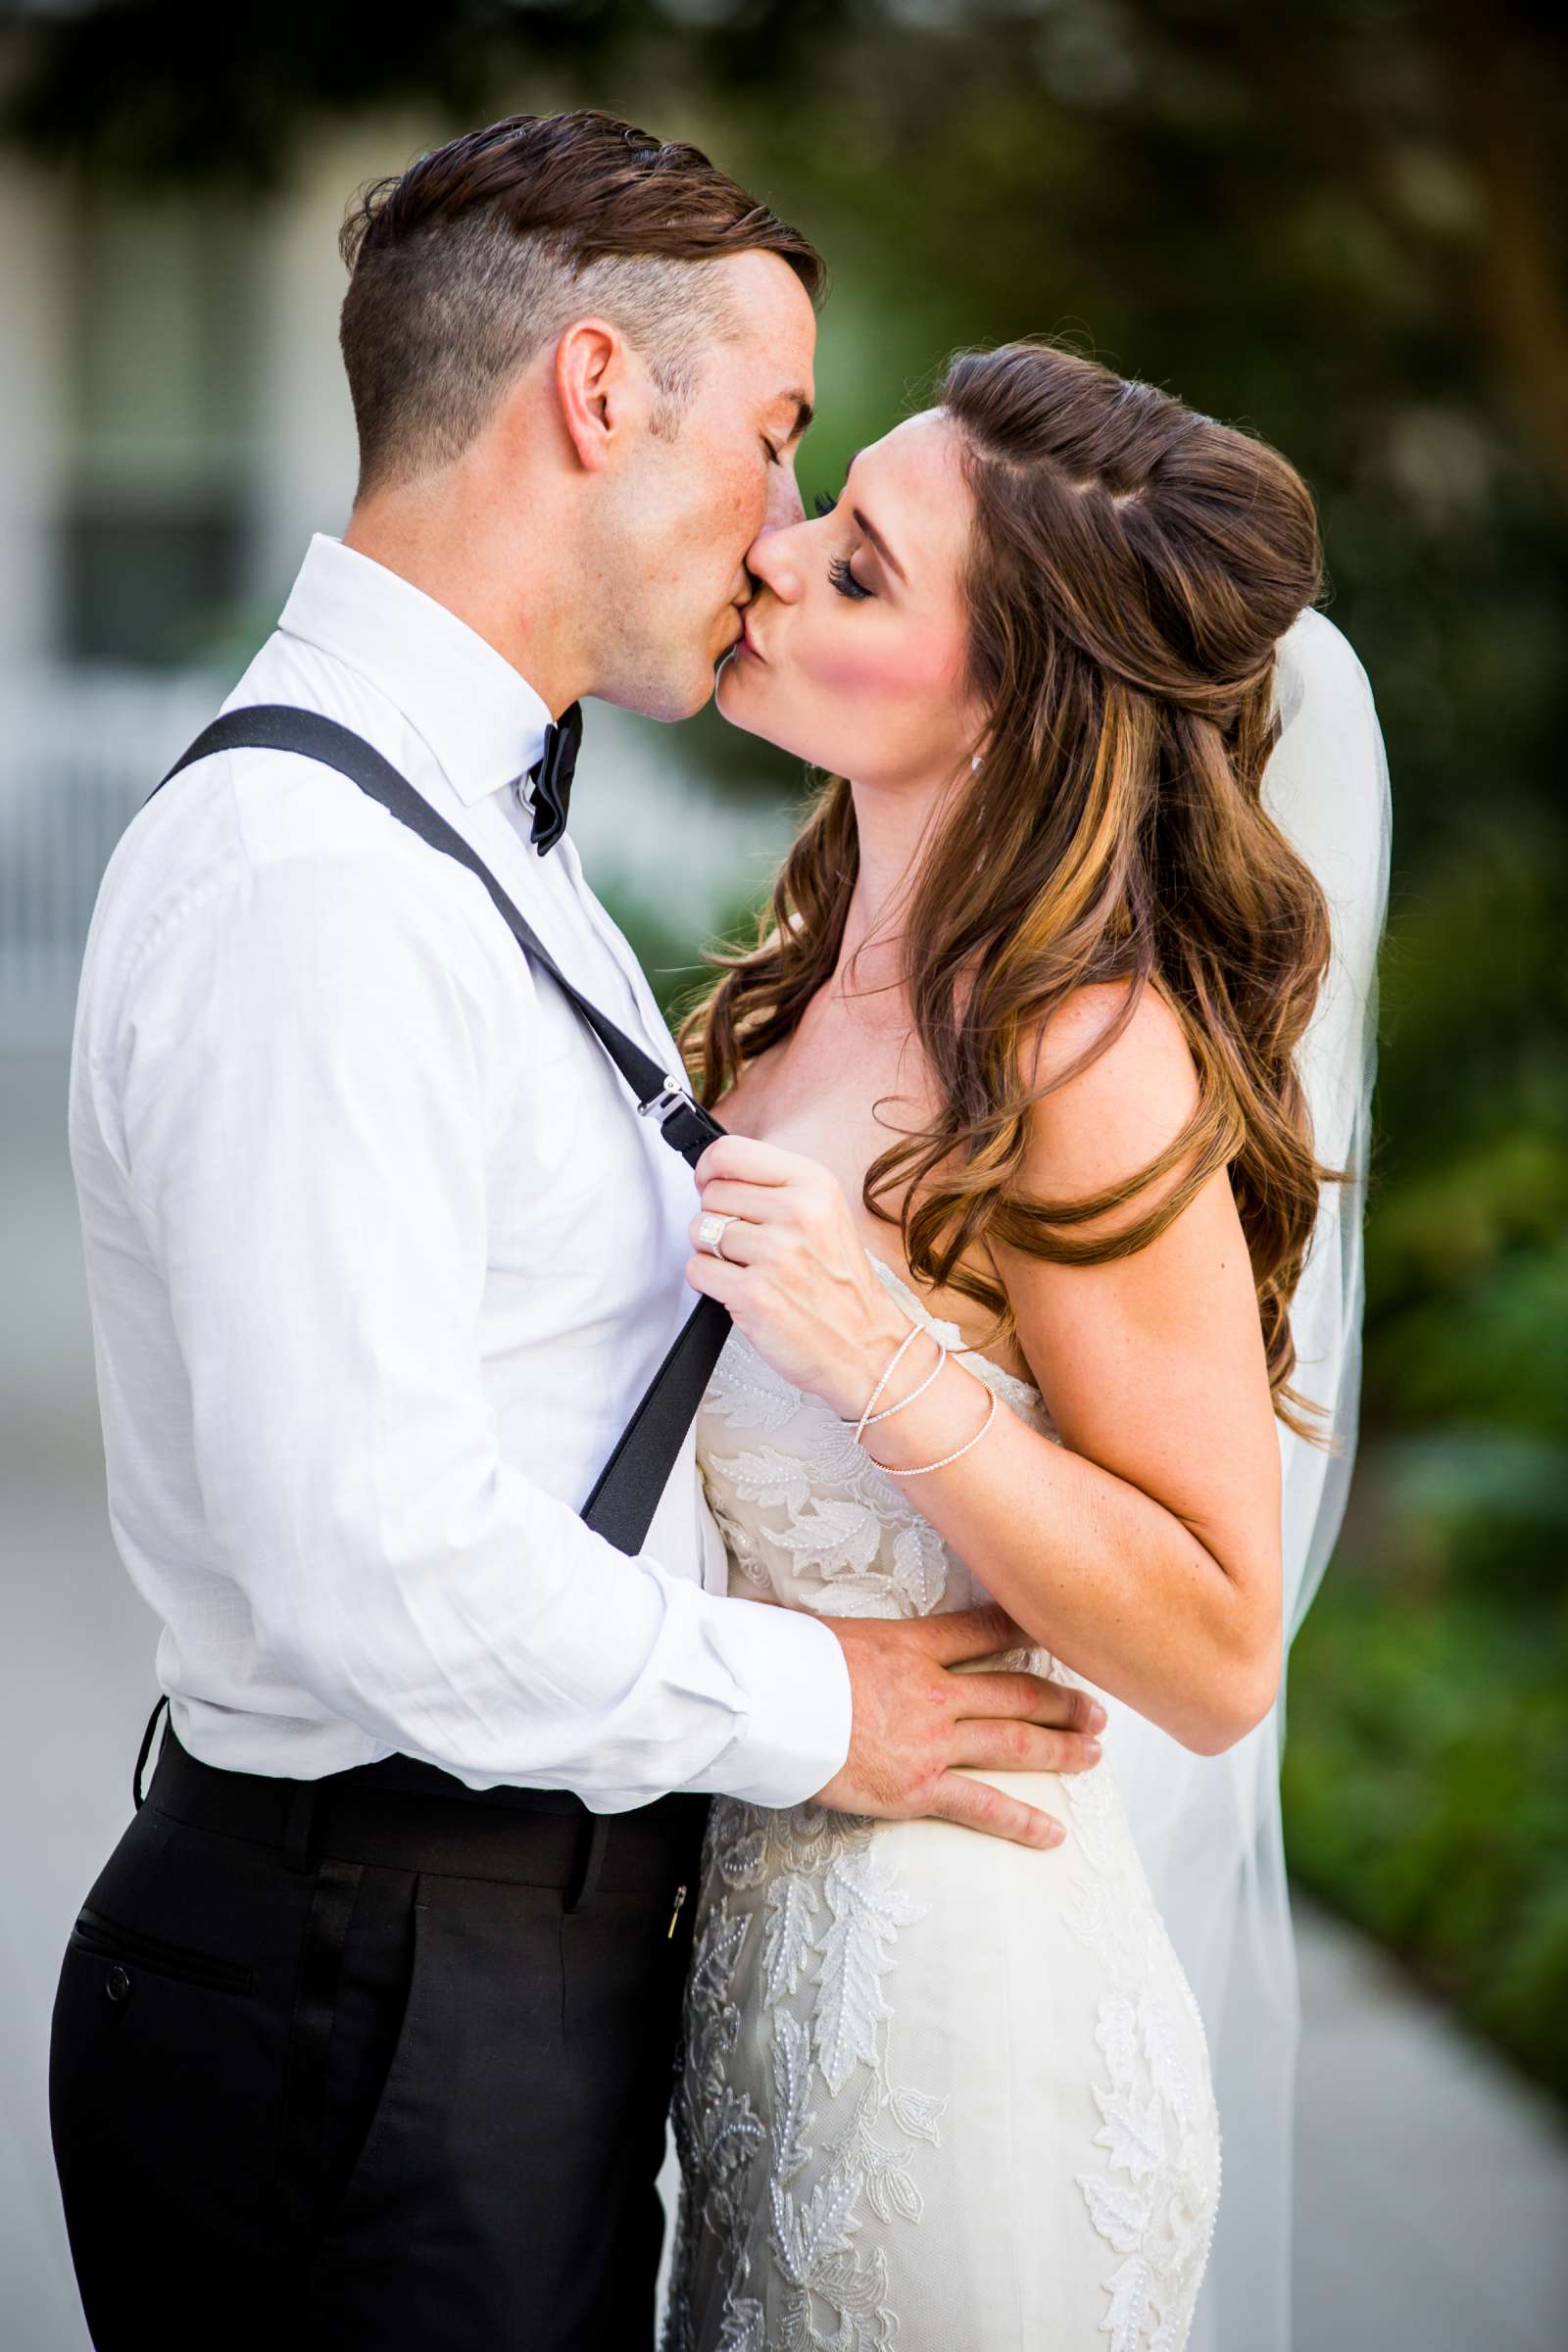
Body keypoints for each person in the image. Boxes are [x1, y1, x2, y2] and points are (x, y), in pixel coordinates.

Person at [46, 116, 1102, 2352]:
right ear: (597, 395)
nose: (779, 525)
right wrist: (829, 1704)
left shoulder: (460, 831)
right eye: (772, 435)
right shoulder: (315, 888)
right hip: (371, 1994)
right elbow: (375, 1561)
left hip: (471, 1977)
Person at [662, 342, 1387, 2350]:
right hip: (754, 1993)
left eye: (862, 572)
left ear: (1009, 703)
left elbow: (1216, 1644)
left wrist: (873, 1355)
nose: (774, 557)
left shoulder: (1079, 1053)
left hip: (959, 2036)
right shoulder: (773, 1009)